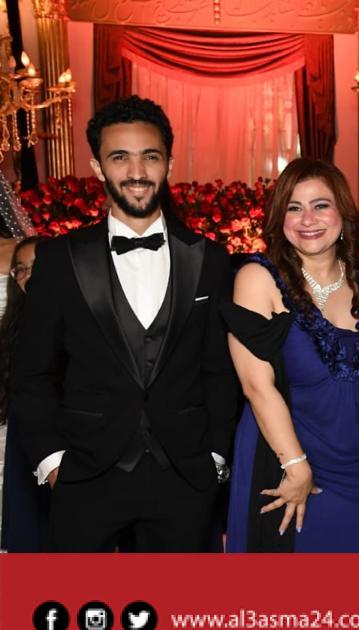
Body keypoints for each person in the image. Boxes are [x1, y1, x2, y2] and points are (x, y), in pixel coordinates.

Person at [11, 96, 238, 552]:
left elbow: (220, 370)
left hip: (184, 476)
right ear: (97, 167)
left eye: (150, 156)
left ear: (169, 163)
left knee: (180, 598)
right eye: (120, 157)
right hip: (84, 473)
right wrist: (52, 461)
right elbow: (31, 371)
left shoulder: (210, 259)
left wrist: (214, 456)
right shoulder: (59, 259)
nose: (137, 171)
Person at [222, 158, 359, 552]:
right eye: (294, 208)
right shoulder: (258, 279)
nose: (307, 220)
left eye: (321, 205)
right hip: (290, 461)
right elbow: (255, 385)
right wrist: (297, 467)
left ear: (343, 212)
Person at [0, 237, 50, 551]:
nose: (28, 275)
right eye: (21, 269)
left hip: (68, 444)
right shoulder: (14, 326)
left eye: (36, 266)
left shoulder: (82, 317)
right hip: (23, 440)